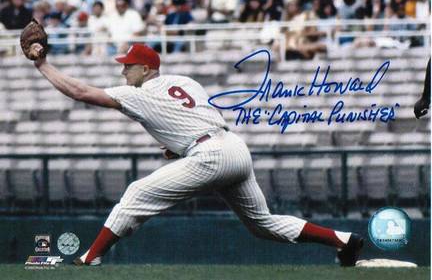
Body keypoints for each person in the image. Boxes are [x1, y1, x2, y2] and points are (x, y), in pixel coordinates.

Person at [31, 43, 363, 267]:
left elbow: (79, 92)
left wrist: (42, 63)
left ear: (146, 69)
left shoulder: (140, 92)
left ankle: (91, 258)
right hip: (234, 149)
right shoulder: (186, 81)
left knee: (136, 192)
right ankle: (343, 240)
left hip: (210, 154)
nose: (123, 73)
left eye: (128, 67)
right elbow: (190, 119)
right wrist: (177, 148)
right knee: (263, 224)